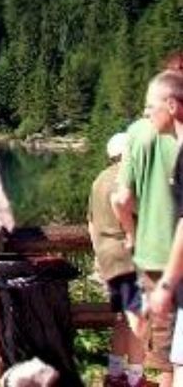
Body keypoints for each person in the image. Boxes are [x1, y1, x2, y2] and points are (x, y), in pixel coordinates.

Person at [117, 72, 183, 387]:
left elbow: (122, 198)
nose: (146, 114)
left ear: (171, 103)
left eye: (149, 106)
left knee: (168, 358)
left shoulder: (137, 135)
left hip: (157, 255)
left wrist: (132, 234)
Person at [90, 132, 145, 387]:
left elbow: (90, 223)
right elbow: (126, 205)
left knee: (123, 318)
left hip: (108, 256)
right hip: (127, 255)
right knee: (138, 317)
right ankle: (136, 378)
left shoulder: (99, 179)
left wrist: (99, 253)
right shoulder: (126, 178)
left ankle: (114, 375)